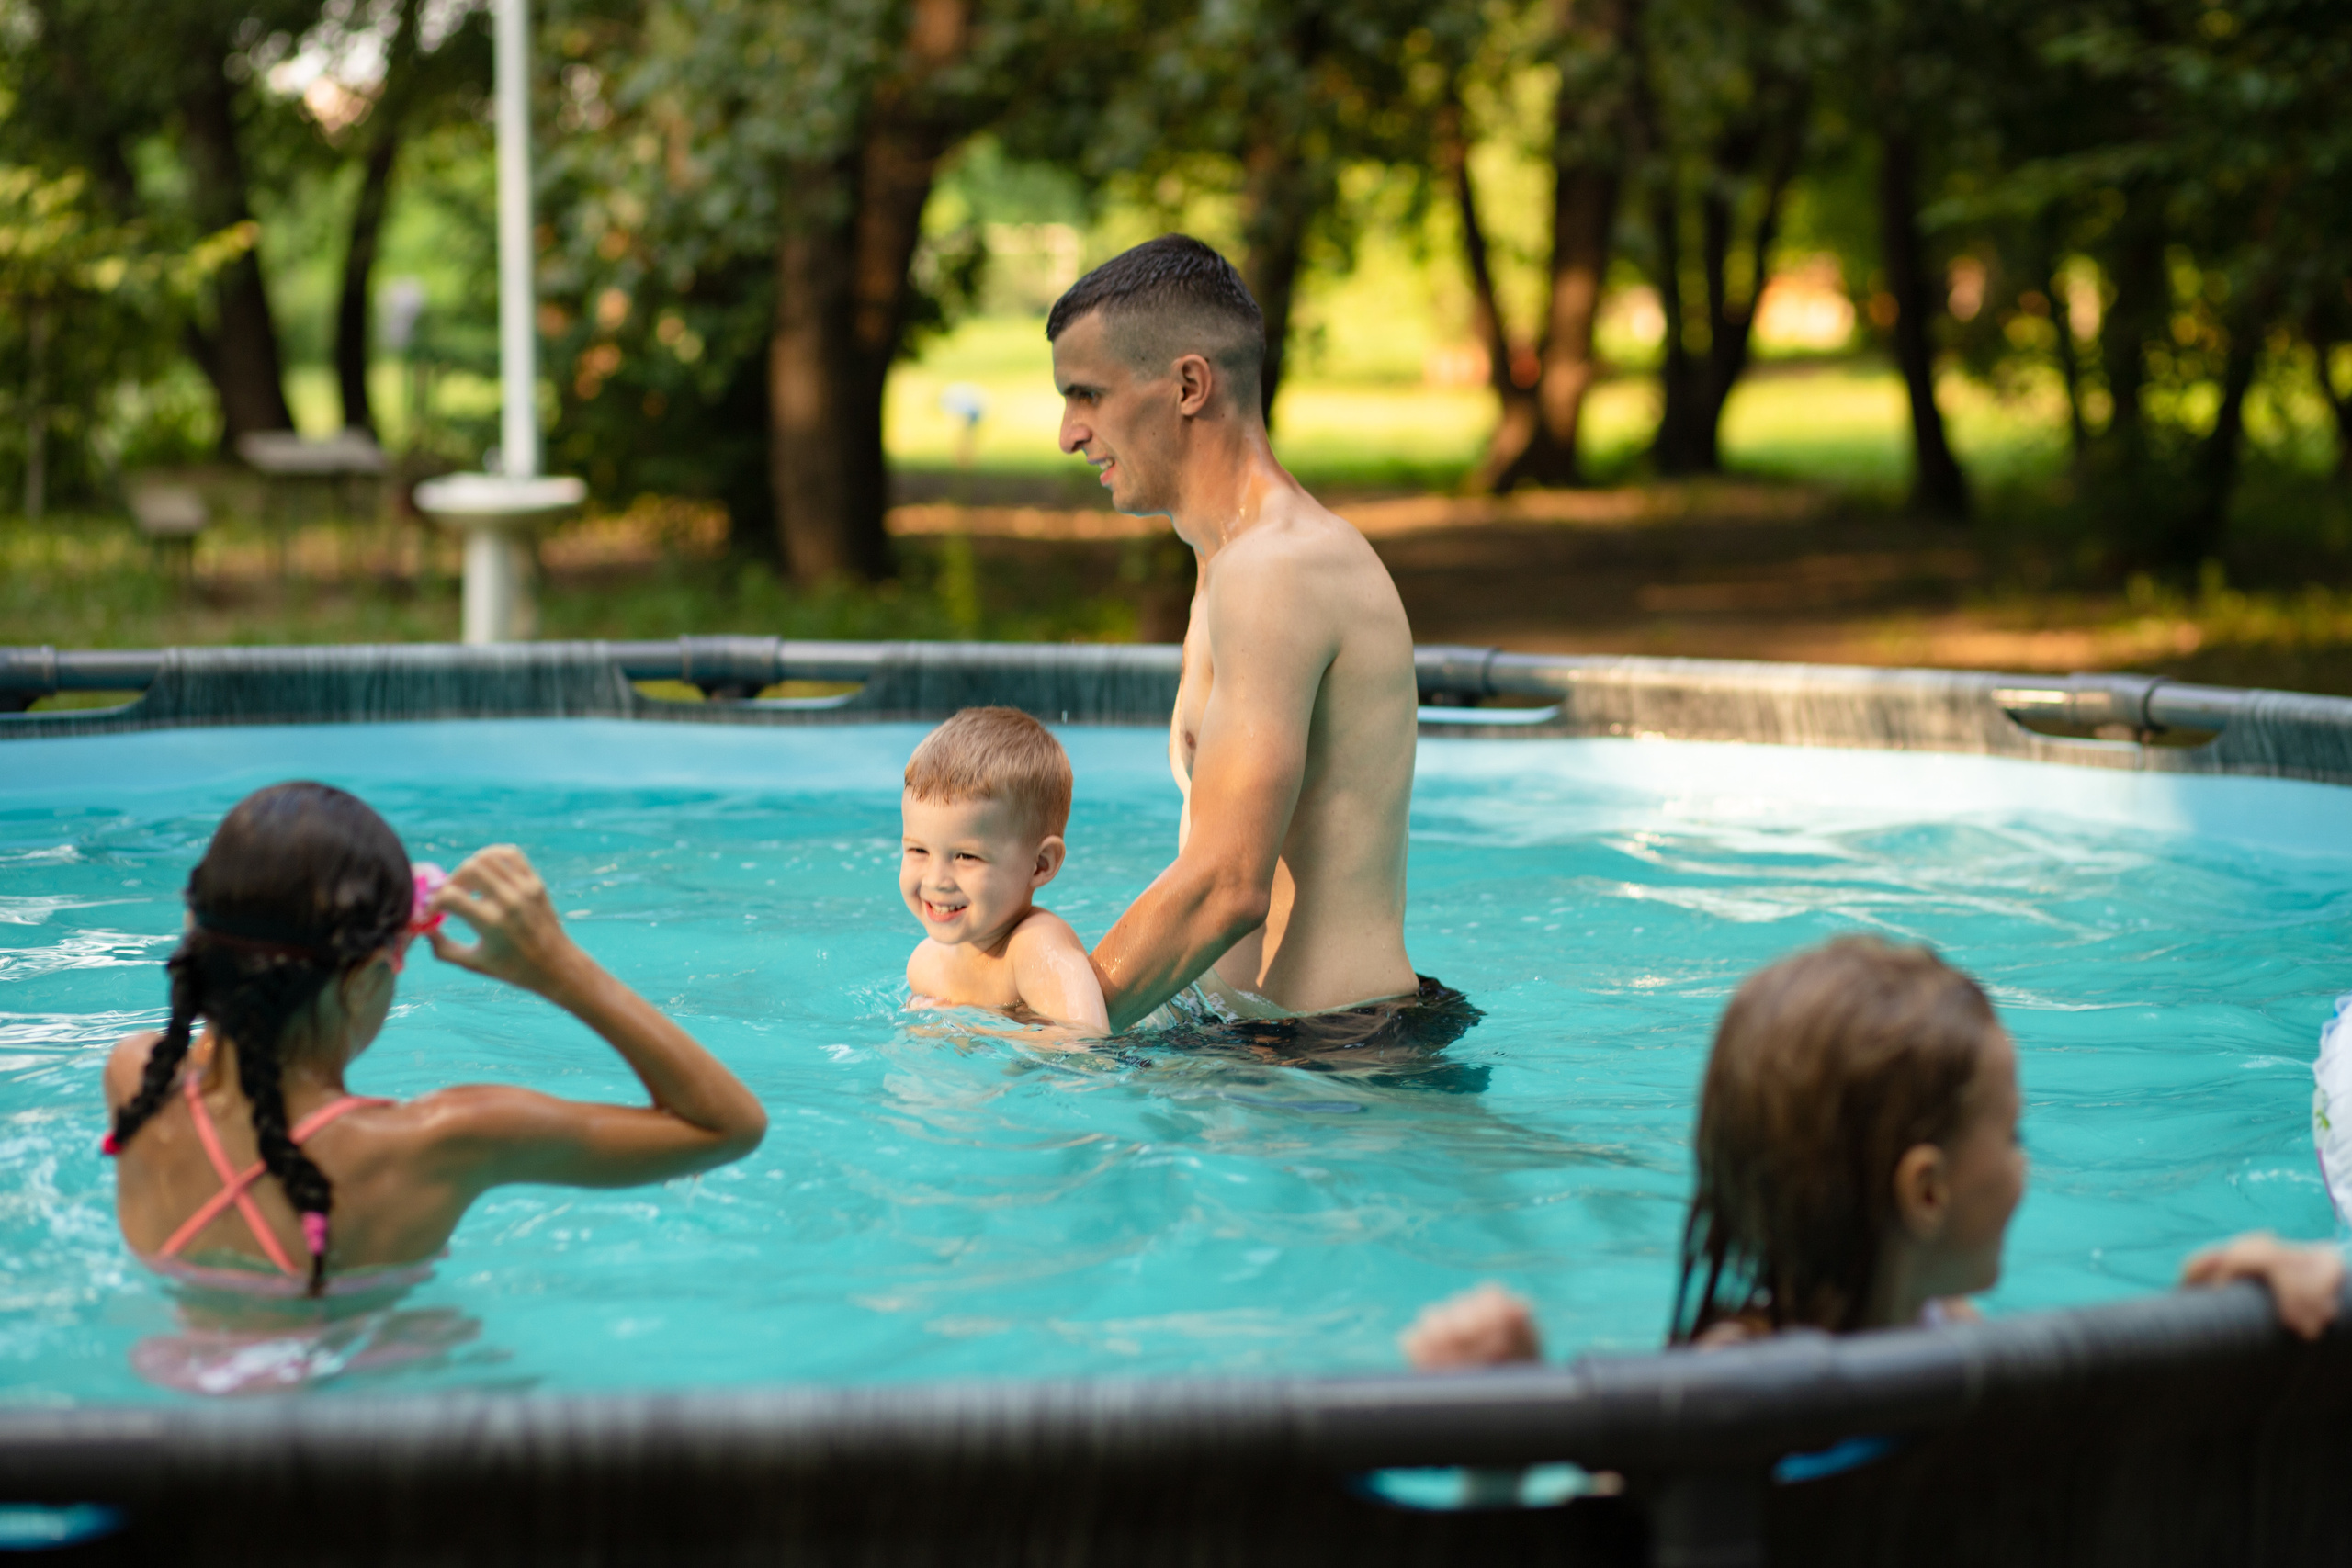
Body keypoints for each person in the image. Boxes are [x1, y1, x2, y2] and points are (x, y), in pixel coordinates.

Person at [1403, 936, 2342, 1367]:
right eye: (2010, 1135)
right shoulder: (1725, 1396)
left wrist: (2232, 1299)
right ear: (1925, 1192)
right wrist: (1503, 1412)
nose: (2027, 1164)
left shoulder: (1944, 1332)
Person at [1047, 234, 1471, 1048]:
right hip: (1269, 1048)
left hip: (1337, 1067)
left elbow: (1228, 884)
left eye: (1088, 395)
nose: (1068, 434)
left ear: (1189, 386)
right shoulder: (1223, 562)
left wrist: (1055, 1022)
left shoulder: (1278, 570)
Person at [104, 781, 767, 1300]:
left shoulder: (135, 1079)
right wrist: (556, 965)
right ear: (365, 980)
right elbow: (727, 1127)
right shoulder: (439, 1142)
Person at [899, 706, 1108, 1032]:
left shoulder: (1036, 946)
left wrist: (968, 1025)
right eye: (918, 850)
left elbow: (1085, 1041)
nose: (936, 880)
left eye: (966, 856)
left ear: (1041, 864)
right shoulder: (925, 967)